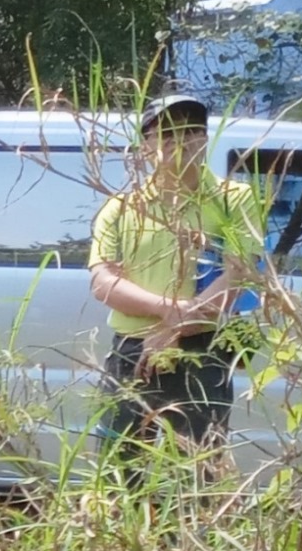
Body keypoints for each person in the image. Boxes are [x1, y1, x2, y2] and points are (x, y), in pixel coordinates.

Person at [90, 94, 261, 452]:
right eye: (166, 133)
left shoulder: (234, 199)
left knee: (198, 469)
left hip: (203, 351)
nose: (180, 141)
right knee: (119, 466)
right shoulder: (122, 207)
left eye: (191, 131)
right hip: (132, 350)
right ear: (145, 146)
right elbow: (103, 282)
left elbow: (239, 274)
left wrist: (173, 330)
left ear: (206, 139)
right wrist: (168, 311)